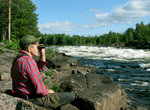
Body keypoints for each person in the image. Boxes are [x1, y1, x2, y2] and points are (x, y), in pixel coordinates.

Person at [11, 35, 75, 109]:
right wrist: (49, 91)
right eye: (37, 46)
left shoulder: (18, 59)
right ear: (29, 48)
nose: (38, 48)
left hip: (21, 96)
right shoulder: (28, 61)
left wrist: (42, 53)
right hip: (31, 99)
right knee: (71, 96)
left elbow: (38, 69)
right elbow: (41, 91)